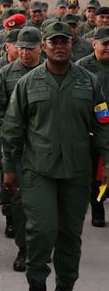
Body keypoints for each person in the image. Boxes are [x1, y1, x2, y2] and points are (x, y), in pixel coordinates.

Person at [1, 21, 109, 291]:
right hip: (39, 170)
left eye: (64, 42)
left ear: (72, 45)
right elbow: (12, 128)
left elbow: (103, 124)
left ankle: (65, 285)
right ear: (44, 47)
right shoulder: (27, 83)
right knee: (40, 231)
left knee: (70, 235)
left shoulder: (89, 81)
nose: (59, 47)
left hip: (76, 171)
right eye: (53, 42)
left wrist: (107, 160)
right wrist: (10, 169)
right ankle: (36, 283)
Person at [0, 27, 44, 272]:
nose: (25, 52)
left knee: (45, 204)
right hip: (18, 150)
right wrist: (5, 143)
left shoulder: (51, 72)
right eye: (21, 47)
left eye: (30, 48)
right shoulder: (6, 74)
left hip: (46, 149)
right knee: (20, 201)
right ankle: (24, 249)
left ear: (41, 48)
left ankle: (43, 247)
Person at [74, 25, 109, 228]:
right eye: (104, 44)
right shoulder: (82, 67)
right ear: (94, 44)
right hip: (92, 127)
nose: (108, 48)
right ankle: (97, 209)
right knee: (95, 172)